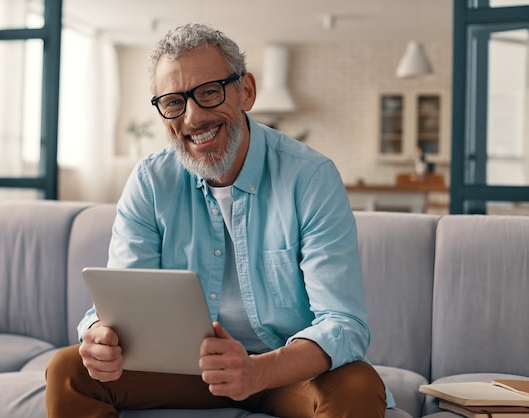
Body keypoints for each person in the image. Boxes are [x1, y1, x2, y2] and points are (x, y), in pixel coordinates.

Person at [46, 23, 392, 418]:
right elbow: (122, 306)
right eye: (174, 102)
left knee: (359, 384)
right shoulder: (150, 182)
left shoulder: (310, 177)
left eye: (209, 92)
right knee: (68, 370)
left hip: (284, 370)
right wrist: (98, 337)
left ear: (246, 91)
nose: (193, 117)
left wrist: (257, 371)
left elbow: (343, 323)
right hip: (185, 370)